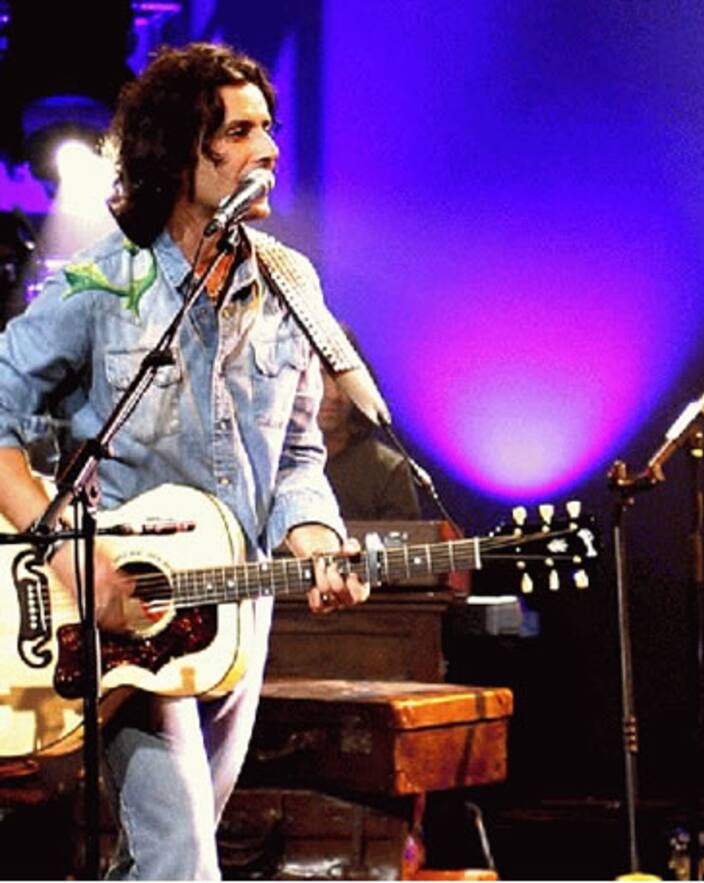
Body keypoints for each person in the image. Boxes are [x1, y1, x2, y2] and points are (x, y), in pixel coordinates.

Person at [0, 42, 368, 878]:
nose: (267, 149)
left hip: (239, 613)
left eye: (267, 128)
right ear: (178, 152)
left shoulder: (290, 283)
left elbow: (298, 453)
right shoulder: (101, 283)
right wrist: (75, 561)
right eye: (238, 132)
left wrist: (315, 538)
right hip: (116, 612)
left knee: (163, 856)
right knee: (182, 856)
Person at [317, 331, 420, 521]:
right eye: (321, 376)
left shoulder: (387, 470)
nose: (334, 394)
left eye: (342, 380)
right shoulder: (270, 462)